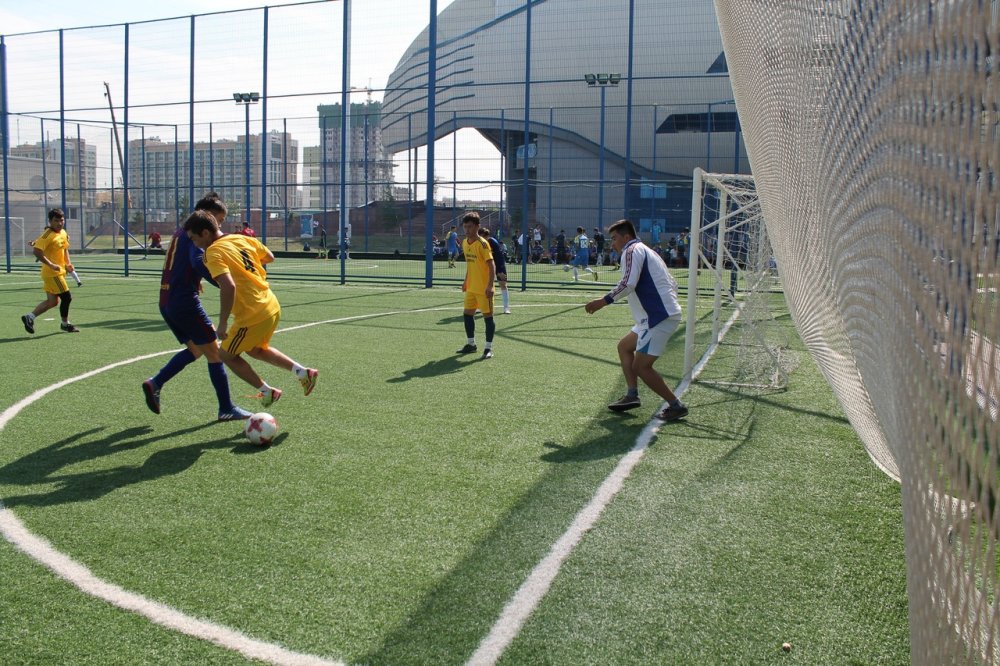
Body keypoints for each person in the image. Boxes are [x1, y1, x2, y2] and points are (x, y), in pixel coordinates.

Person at [184, 209, 318, 408]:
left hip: (252, 314)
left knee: (225, 355)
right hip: (271, 305)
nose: (194, 244)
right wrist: (244, 265)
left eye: (194, 239)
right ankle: (303, 373)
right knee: (255, 350)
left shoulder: (212, 252)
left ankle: (267, 392)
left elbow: (228, 286)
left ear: (205, 233)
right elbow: (269, 257)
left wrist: (222, 323)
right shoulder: (242, 239)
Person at [142, 193, 252, 421]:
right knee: (215, 353)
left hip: (167, 299)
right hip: (184, 301)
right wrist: (220, 281)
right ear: (206, 216)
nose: (218, 227)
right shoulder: (194, 234)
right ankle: (226, 408)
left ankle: (156, 383)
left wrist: (195, 279)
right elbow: (196, 260)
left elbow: (184, 262)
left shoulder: (181, 232)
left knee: (196, 350)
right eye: (218, 221)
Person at [584, 219, 688, 422]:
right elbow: (672, 283)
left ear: (626, 237)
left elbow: (628, 284)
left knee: (641, 367)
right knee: (624, 347)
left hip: (657, 317)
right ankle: (632, 395)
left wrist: (603, 301)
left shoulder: (631, 251)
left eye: (614, 238)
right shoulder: (647, 250)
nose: (612, 243)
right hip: (654, 316)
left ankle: (676, 405)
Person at [21, 208, 80, 334]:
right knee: (67, 297)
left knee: (53, 302)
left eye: (61, 220)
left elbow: (64, 249)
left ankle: (29, 317)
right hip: (52, 274)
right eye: (56, 220)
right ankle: (65, 324)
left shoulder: (63, 233)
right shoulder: (47, 235)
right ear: (50, 221)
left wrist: (68, 264)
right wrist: (51, 264)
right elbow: (37, 251)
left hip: (58, 272)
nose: (59, 223)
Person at [456, 211, 496, 359]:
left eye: (470, 227)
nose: (467, 230)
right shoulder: (465, 242)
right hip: (471, 287)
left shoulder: (483, 244)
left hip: (484, 289)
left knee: (488, 317)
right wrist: (466, 281)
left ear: (477, 226)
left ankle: (488, 348)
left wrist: (490, 286)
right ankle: (471, 344)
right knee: (467, 314)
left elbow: (492, 265)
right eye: (465, 227)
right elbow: (470, 264)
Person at [479, 226, 511, 314]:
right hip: (487, 266)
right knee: (484, 286)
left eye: (483, 237)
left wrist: (500, 270)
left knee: (503, 284)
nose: (481, 238)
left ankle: (506, 308)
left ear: (486, 236)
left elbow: (499, 257)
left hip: (498, 265)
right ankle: (482, 306)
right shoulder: (479, 243)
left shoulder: (493, 242)